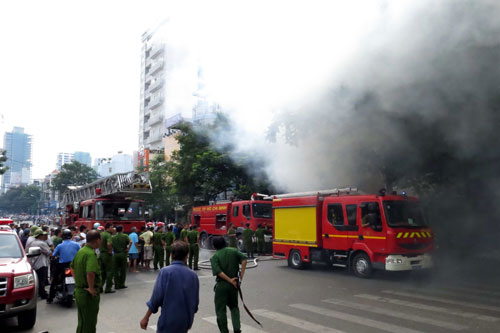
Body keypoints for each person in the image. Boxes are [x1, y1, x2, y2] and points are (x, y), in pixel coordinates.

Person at [140, 241, 199, 333]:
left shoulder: (165, 272)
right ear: (187, 255)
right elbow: (195, 302)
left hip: (168, 320)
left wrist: (146, 317)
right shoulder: (193, 275)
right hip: (185, 321)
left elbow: (156, 299)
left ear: (171, 255)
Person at [210, 236, 247, 333]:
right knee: (234, 307)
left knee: (221, 311)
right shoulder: (233, 251)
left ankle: (224, 331)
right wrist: (241, 277)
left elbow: (218, 272)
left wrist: (229, 280)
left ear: (214, 246)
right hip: (234, 285)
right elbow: (244, 259)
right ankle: (237, 329)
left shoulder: (215, 257)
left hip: (222, 286)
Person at [71, 230, 102, 333]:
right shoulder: (90, 254)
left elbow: (72, 267)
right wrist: (91, 288)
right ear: (97, 240)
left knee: (82, 321)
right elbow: (90, 273)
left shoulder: (81, 251)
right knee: (89, 323)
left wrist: (78, 281)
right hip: (87, 295)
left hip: (79, 291)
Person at [48, 229, 80, 303]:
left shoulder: (60, 245)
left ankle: (50, 298)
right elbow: (80, 252)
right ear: (71, 236)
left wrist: (53, 257)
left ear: (63, 237)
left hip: (62, 266)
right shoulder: (76, 244)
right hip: (74, 265)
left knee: (54, 281)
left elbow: (53, 255)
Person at [28, 229, 52, 299]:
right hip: (41, 263)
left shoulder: (32, 242)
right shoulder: (41, 243)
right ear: (40, 236)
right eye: (43, 235)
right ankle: (43, 294)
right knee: (42, 279)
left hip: (34, 263)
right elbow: (48, 252)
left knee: (38, 279)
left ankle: (39, 292)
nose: (44, 236)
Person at [111, 225, 131, 289]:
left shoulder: (113, 237)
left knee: (115, 270)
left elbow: (110, 245)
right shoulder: (125, 236)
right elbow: (130, 242)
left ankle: (116, 284)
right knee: (123, 270)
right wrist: (128, 249)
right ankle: (122, 284)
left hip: (115, 254)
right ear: (122, 229)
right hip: (123, 254)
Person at [99, 223, 115, 294]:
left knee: (102, 272)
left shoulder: (101, 234)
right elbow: (109, 244)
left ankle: (100, 287)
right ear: (108, 228)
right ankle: (108, 288)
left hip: (101, 254)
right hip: (106, 254)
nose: (113, 228)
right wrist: (110, 251)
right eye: (112, 227)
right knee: (109, 271)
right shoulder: (108, 235)